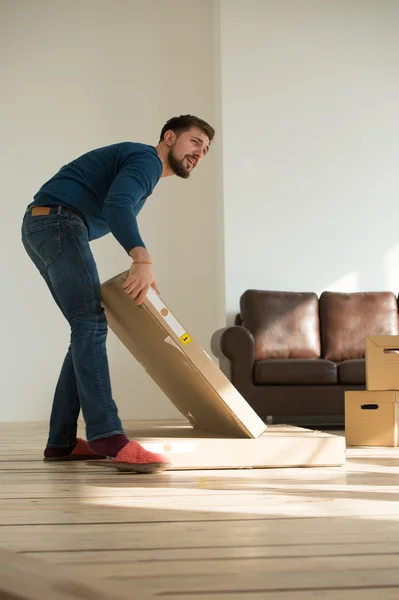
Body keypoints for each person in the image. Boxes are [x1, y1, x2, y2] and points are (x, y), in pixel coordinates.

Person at [21, 114, 214, 473]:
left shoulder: (141, 166)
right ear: (169, 138)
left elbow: (114, 205)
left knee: (86, 326)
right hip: (58, 222)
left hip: (46, 223)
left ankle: (61, 442)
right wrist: (141, 257)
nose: (199, 153)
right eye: (194, 142)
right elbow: (118, 206)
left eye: (204, 150)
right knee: (90, 324)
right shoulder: (146, 160)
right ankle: (107, 434)